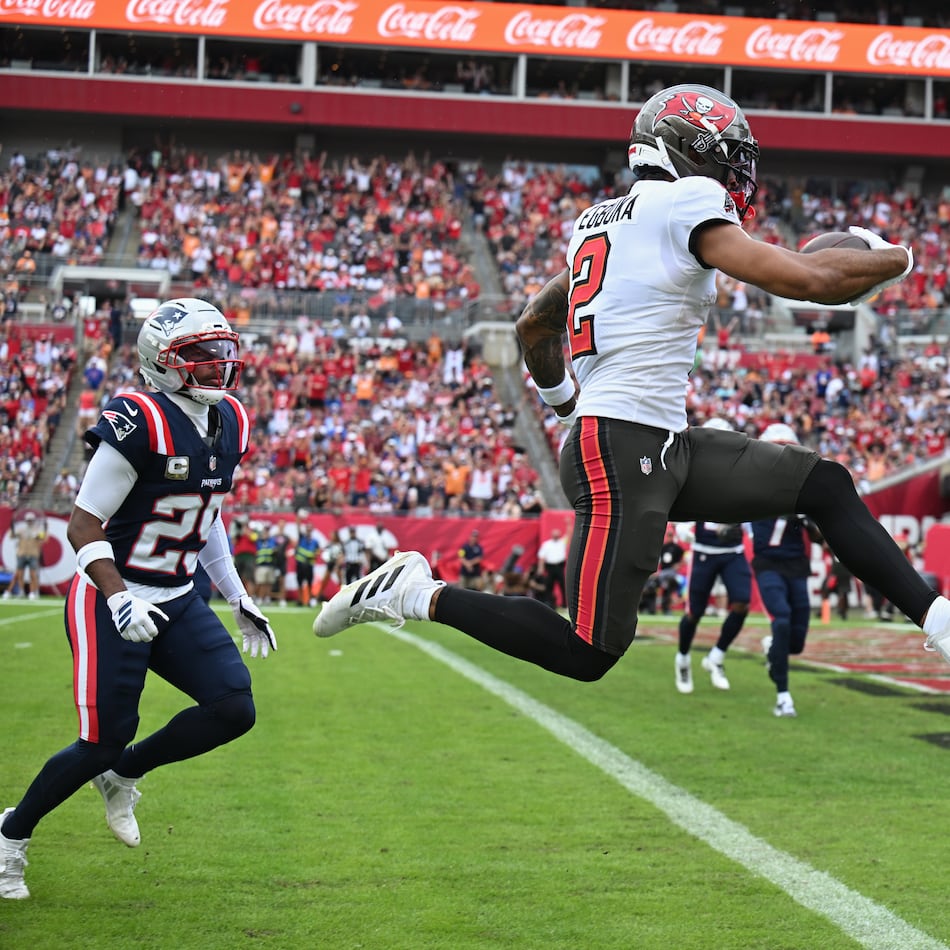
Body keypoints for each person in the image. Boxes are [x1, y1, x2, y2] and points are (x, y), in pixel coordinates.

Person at [311, 83, 950, 691]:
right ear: (688, 150)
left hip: (649, 441)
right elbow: (806, 282)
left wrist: (566, 410)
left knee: (823, 484)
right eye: (726, 159)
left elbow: (534, 324)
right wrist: (897, 258)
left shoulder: (597, 222)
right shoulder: (684, 203)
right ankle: (417, 593)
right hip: (624, 447)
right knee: (587, 652)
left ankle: (940, 622)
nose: (734, 177)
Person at [0, 297, 276, 900]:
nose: (219, 366)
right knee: (102, 736)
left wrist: (236, 593)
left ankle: (126, 773)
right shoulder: (139, 416)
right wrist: (120, 597)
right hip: (110, 595)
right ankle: (10, 836)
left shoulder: (229, 418)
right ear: (165, 363)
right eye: (201, 357)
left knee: (234, 707)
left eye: (222, 352)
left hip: (177, 596)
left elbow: (206, 513)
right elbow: (82, 524)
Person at [675, 420, 752, 694]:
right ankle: (682, 658)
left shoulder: (741, 470)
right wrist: (684, 526)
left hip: (733, 550)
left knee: (742, 602)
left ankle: (716, 657)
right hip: (705, 550)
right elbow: (676, 498)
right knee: (694, 612)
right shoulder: (692, 467)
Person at [752, 424, 823, 717]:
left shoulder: (803, 492)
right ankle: (783, 697)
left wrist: (809, 519)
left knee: (795, 642)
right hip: (768, 563)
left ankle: (774, 652)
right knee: (781, 621)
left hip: (796, 566)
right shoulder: (751, 487)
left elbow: (820, 538)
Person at [3, 511, 46, 600]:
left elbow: (44, 538)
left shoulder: (37, 530)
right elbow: (12, 535)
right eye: (28, 520)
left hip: (33, 554)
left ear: (33, 520)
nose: (29, 522)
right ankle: (20, 591)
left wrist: (40, 535)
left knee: (32, 574)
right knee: (19, 574)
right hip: (21, 554)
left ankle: (32, 592)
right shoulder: (22, 530)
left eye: (31, 520)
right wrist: (12, 528)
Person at [536, 527, 567, 608]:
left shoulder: (562, 542)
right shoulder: (547, 544)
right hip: (550, 567)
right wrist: (541, 568)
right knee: (549, 586)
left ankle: (564, 604)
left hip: (559, 566)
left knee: (563, 586)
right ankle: (550, 603)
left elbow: (569, 535)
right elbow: (542, 557)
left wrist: (568, 524)